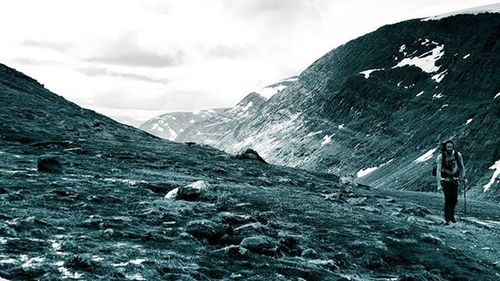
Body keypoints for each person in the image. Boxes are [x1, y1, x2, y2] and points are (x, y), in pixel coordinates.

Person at [436, 140, 466, 225]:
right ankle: (447, 218)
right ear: (445, 147)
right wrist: (439, 184)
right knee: (447, 199)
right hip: (445, 180)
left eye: (451, 147)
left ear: (453, 147)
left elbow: (461, 167)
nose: (449, 149)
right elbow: (438, 170)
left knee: (454, 199)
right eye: (448, 147)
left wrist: (463, 177)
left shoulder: (457, 155)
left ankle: (452, 215)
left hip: (455, 179)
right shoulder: (441, 157)